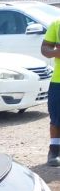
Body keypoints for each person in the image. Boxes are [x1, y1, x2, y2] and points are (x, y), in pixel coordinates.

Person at [41, 20, 60, 166]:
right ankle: (54, 151)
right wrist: (55, 52)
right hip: (58, 81)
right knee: (56, 118)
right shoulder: (56, 24)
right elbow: (44, 48)